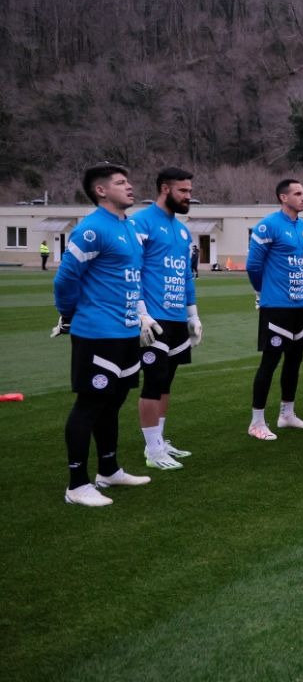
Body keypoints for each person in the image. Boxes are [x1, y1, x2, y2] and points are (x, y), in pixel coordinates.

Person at [52, 163, 151, 506]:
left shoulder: (128, 228)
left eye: (129, 181)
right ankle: (76, 484)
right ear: (101, 190)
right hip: (97, 333)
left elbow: (131, 279)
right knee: (90, 403)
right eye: (121, 182)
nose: (130, 187)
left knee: (114, 401)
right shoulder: (92, 229)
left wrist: (140, 314)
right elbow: (65, 279)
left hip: (125, 332)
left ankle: (108, 469)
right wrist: (68, 314)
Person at [129, 166, 204, 470]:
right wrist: (141, 314)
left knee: (167, 382)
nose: (189, 196)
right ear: (164, 188)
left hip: (175, 317)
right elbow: (130, 271)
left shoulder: (182, 230)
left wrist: (193, 315)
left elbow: (185, 275)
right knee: (154, 380)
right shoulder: (141, 222)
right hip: (153, 318)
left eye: (189, 190)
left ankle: (159, 440)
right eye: (183, 191)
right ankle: (151, 450)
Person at [245, 179, 303, 440]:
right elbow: (254, 265)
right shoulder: (269, 225)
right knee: (270, 361)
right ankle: (256, 422)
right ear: (283, 197)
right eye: (298, 193)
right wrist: (261, 293)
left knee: (295, 360)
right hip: (276, 306)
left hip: (300, 304)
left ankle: (287, 414)